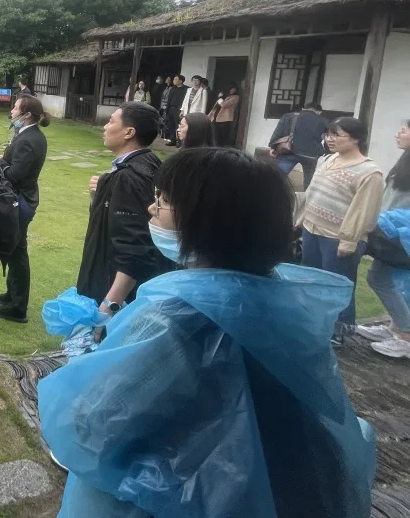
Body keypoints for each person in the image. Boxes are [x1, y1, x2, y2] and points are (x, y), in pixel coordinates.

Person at [39, 147, 376, 518]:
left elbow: (94, 423)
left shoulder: (175, 317)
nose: (152, 209)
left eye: (163, 201)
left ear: (207, 220)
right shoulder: (285, 302)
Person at [78, 102, 168, 317]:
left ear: (129, 132)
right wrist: (99, 197)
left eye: (111, 122)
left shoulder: (129, 177)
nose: (105, 127)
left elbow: (134, 249)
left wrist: (108, 307)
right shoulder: (150, 162)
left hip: (114, 291)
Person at [300, 117, 384, 345]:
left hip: (338, 238)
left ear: (356, 138)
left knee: (338, 285)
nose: (330, 139)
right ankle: (314, 323)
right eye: (328, 134)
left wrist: (349, 240)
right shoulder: (326, 159)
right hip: (312, 229)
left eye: (337, 135)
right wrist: (301, 220)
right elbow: (312, 193)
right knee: (311, 280)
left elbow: (364, 211)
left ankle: (338, 331)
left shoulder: (369, 172)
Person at [0, 95, 49, 323]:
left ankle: (18, 307)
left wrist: (0, 162)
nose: (12, 111)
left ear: (26, 115)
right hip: (22, 197)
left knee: (17, 251)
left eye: (15, 108)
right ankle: (12, 294)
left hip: (21, 199)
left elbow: (15, 175)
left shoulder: (29, 139)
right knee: (14, 248)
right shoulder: (27, 134)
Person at [359, 121, 410, 358]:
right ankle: (396, 327)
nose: (399, 133)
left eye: (405, 129)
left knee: (379, 278)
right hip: (390, 232)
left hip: (401, 235)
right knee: (386, 279)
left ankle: (406, 336)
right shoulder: (405, 161)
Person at [269, 102, 329, 189]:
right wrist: (327, 153)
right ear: (319, 111)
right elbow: (328, 138)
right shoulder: (323, 121)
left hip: (288, 150)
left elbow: (278, 132)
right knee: (309, 181)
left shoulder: (288, 116)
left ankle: (270, 192)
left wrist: (272, 147)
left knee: (277, 177)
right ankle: (307, 196)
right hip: (311, 154)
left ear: (303, 108)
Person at [163, 75, 187, 146]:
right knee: (171, 125)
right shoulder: (173, 88)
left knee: (179, 125)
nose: (174, 81)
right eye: (174, 79)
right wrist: (167, 110)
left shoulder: (186, 89)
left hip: (179, 109)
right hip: (171, 108)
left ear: (181, 81)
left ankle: (179, 141)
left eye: (176, 79)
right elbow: (169, 99)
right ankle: (172, 140)